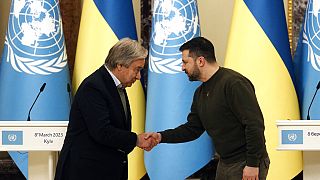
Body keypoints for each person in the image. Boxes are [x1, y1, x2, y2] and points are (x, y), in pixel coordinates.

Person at [145, 37, 270, 180]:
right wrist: (160, 137)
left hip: (246, 163)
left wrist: (252, 164)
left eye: (185, 62)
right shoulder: (200, 93)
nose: (182, 67)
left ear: (200, 61)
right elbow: (192, 129)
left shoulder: (234, 83)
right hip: (225, 162)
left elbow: (254, 124)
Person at [55, 38, 156, 180]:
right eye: (137, 69)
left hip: (106, 170)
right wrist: (136, 140)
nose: (139, 76)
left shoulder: (116, 86)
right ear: (120, 65)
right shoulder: (94, 87)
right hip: (85, 172)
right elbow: (102, 131)